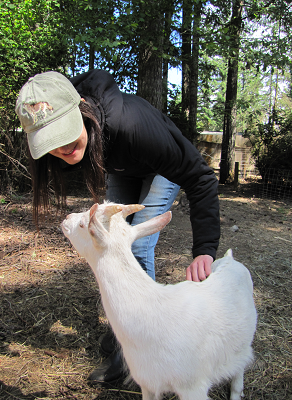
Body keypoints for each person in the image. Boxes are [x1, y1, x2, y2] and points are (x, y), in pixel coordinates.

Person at [15, 70, 220, 382]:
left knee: (137, 246)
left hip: (159, 167)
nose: (64, 147)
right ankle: (126, 332)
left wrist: (204, 249)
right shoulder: (87, 134)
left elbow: (200, 177)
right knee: (110, 241)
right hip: (123, 164)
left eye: (66, 131)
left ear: (80, 108)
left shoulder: (131, 126)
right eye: (51, 141)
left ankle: (141, 348)